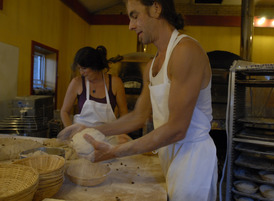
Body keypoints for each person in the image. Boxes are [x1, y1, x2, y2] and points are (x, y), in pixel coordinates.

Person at [58, 0, 218, 200]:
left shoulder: (186, 51)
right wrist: (90, 130)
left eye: (135, 16)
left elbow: (177, 128)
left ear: (156, 8)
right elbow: (138, 117)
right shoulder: (151, 65)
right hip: (168, 153)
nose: (130, 26)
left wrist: (116, 151)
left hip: (193, 159)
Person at [60, 45, 131, 144]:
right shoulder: (77, 82)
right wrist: (71, 132)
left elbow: (124, 113)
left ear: (95, 66)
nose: (81, 72)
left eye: (84, 68)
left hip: (108, 137)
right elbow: (64, 111)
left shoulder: (115, 82)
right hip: (81, 137)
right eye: (79, 68)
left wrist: (123, 132)